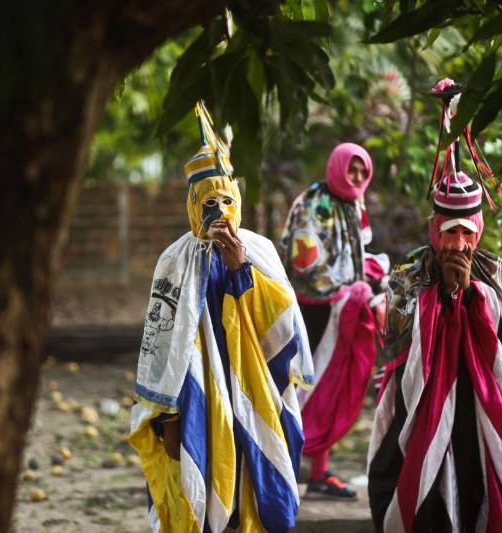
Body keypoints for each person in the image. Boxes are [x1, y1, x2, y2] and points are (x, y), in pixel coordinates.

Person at [129, 101, 314, 533]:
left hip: (251, 387)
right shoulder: (173, 261)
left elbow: (283, 327)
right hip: (195, 397)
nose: (218, 210)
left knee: (249, 481)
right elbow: (162, 341)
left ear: (238, 201)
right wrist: (168, 415)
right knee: (199, 482)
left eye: (226, 199)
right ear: (193, 203)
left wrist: (240, 270)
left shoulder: (260, 250)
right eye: (208, 200)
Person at [366, 168, 502, 531]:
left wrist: (472, 296)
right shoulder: (409, 272)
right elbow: (398, 341)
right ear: (436, 230)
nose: (460, 244)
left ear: (478, 229)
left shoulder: (494, 270)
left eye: (467, 232)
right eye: (451, 232)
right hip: (425, 397)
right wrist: (444, 299)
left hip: (479, 395)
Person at [278, 143, 389, 499]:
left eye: (362, 171)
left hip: (342, 306)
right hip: (313, 307)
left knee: (331, 386)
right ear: (337, 167)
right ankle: (284, 470)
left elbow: (357, 252)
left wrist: (369, 277)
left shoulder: (355, 204)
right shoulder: (314, 204)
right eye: (351, 169)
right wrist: (351, 288)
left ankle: (319, 473)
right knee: (304, 386)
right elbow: (305, 264)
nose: (356, 177)